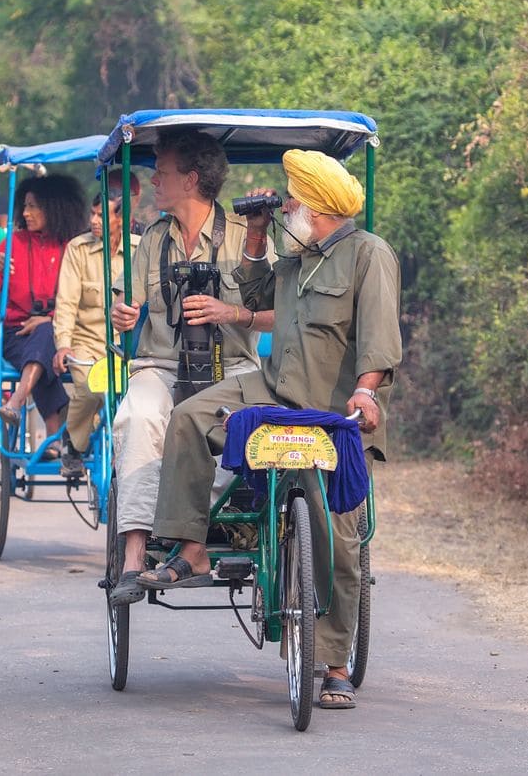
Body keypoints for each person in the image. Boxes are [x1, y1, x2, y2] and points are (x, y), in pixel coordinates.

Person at [139, 149, 402, 711]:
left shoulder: (368, 255)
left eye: (290, 199)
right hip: (275, 389)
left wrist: (366, 390)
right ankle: (192, 546)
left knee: (337, 530)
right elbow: (253, 299)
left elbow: (379, 338)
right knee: (187, 417)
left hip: (335, 410)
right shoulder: (297, 255)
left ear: (316, 205)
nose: (284, 204)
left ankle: (332, 664)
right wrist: (256, 236)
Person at [106, 129, 269, 606]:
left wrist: (232, 313)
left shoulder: (246, 238)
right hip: (162, 363)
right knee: (138, 416)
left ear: (191, 179)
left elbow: (285, 311)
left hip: (233, 365)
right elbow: (128, 306)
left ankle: (187, 530)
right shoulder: (152, 240)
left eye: (163, 171)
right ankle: (135, 555)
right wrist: (124, 316)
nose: (153, 179)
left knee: (238, 429)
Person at [0, 175, 87, 452]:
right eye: (24, 206)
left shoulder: (72, 246)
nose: (26, 213)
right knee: (41, 349)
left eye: (33, 207)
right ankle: (54, 431)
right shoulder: (13, 242)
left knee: (45, 334)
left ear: (54, 208)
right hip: (16, 332)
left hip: (63, 330)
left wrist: (50, 319)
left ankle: (17, 400)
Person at [51, 190, 141, 478]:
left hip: (128, 346)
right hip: (86, 343)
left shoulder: (141, 250)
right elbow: (65, 303)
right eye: (93, 214)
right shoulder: (77, 249)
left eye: (102, 215)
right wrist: (63, 345)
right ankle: (73, 443)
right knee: (90, 389)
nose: (94, 220)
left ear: (123, 219)